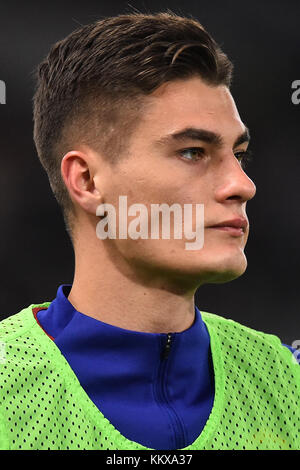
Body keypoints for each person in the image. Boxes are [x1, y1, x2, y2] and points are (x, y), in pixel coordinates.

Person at [0, 11, 299, 451]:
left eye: (240, 154)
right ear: (87, 181)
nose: (243, 185)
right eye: (193, 152)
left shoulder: (286, 382)